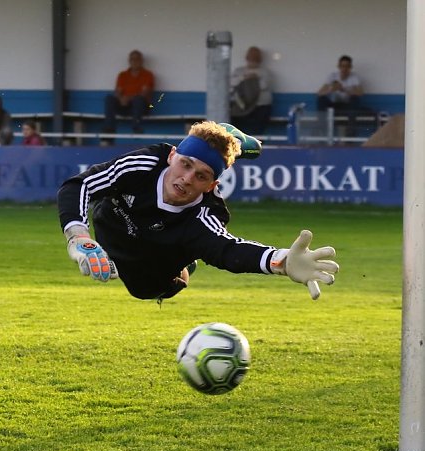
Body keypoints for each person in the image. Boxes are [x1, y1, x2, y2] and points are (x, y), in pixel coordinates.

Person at [58, 121, 339, 302]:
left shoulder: (204, 217)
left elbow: (229, 250)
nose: (188, 178)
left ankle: (185, 265)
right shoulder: (144, 163)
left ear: (211, 186)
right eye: (185, 164)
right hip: (110, 224)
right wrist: (78, 236)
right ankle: (231, 140)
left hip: (157, 265)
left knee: (145, 290)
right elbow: (80, 185)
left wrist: (283, 261)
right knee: (105, 208)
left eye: (202, 176)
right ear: (171, 156)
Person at [103, 50, 155, 134]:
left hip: (141, 107)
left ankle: (136, 127)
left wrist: (128, 98)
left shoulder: (148, 75)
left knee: (138, 100)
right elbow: (118, 92)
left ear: (141, 61)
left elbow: (145, 93)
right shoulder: (123, 75)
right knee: (109, 98)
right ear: (129, 61)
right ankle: (109, 128)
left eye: (137, 59)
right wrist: (121, 99)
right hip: (124, 106)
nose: (135, 62)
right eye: (132, 59)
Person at [229, 46, 273, 135]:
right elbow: (232, 83)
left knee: (258, 125)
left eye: (255, 61)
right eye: (250, 60)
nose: (252, 63)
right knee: (234, 119)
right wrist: (244, 78)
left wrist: (254, 79)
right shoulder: (239, 71)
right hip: (242, 105)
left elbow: (264, 85)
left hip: (260, 105)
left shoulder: (264, 72)